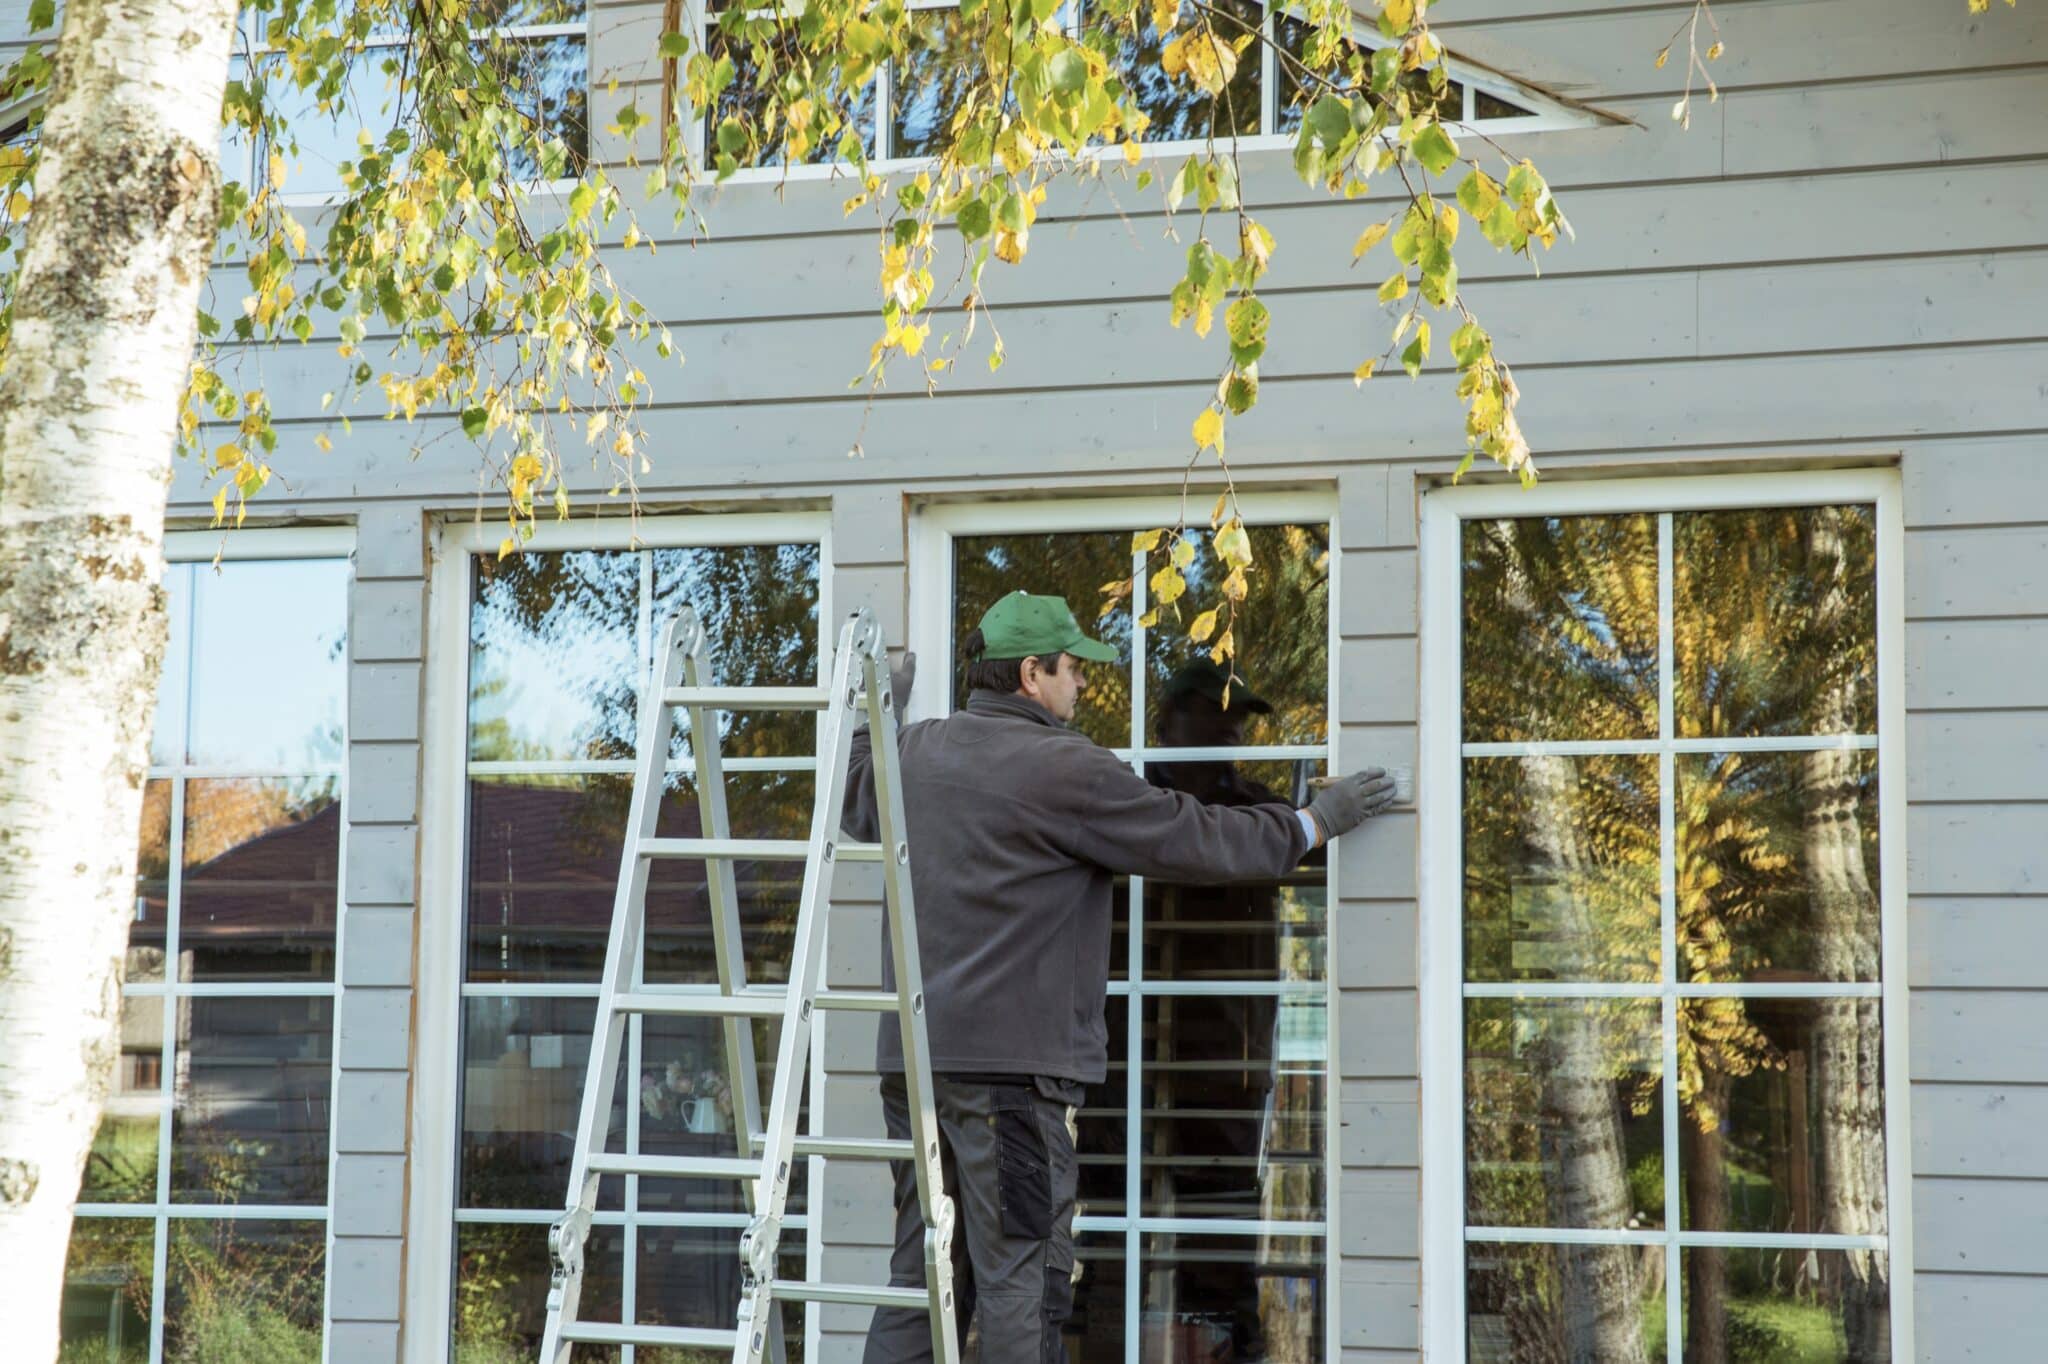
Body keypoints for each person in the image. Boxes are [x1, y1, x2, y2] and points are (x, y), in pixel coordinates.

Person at [844, 590, 1395, 1364]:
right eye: (1072, 669)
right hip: (1010, 1085)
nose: (1083, 684)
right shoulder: (1065, 768)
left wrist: (874, 718)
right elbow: (1193, 838)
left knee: (925, 1273)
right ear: (1031, 674)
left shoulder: (915, 752)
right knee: (1021, 1281)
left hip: (912, 1068)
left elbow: (855, 798)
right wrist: (1313, 823)